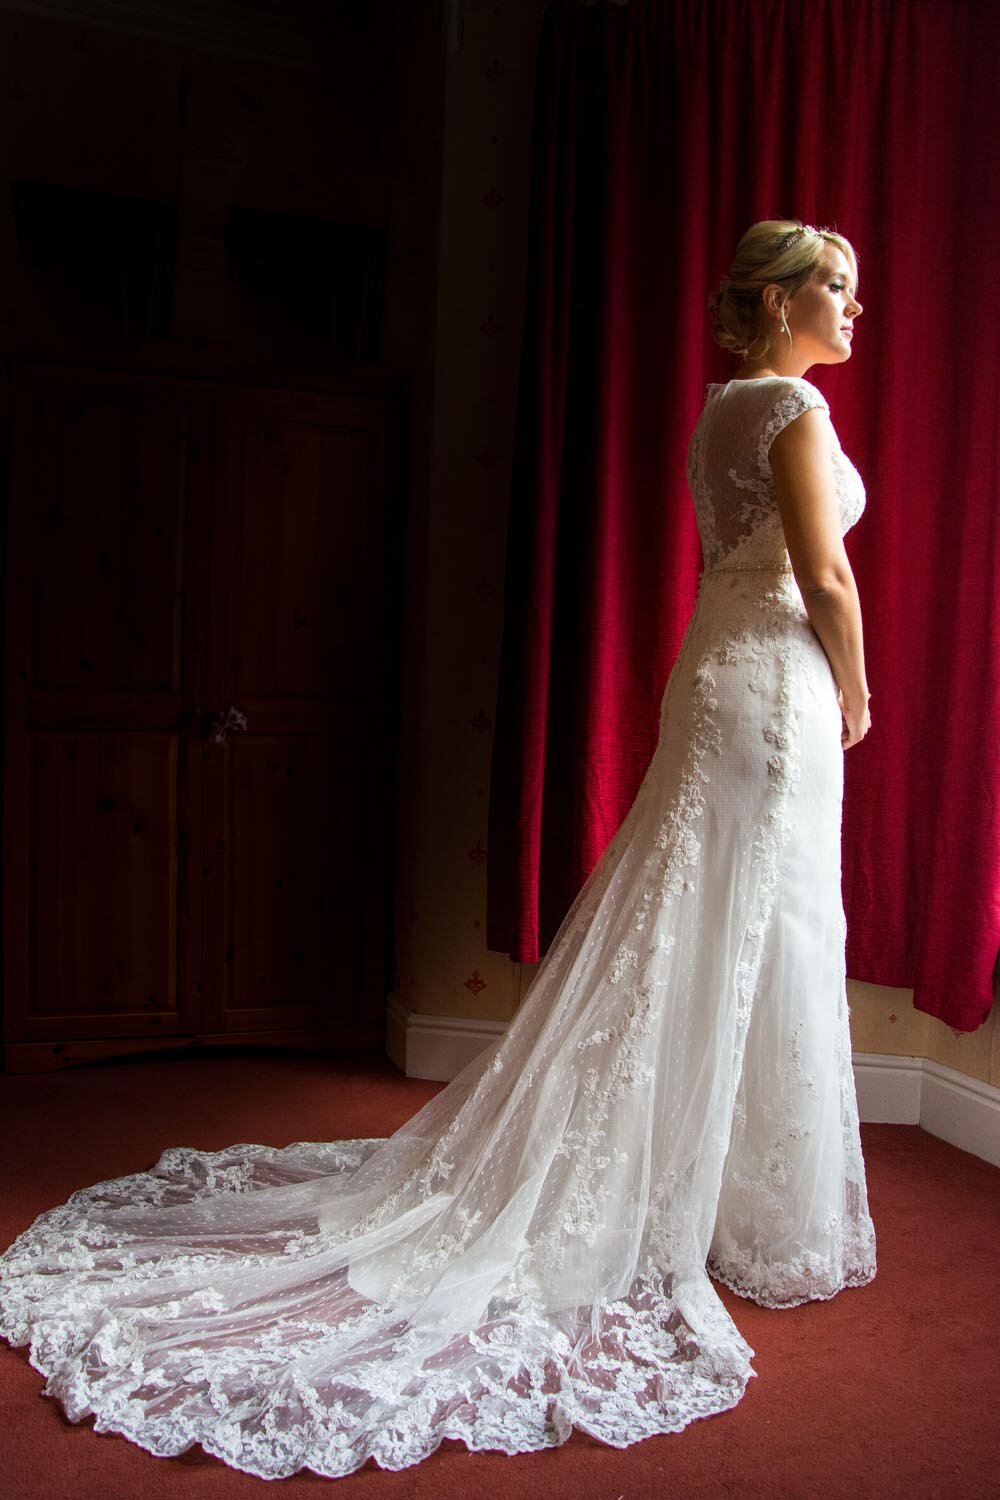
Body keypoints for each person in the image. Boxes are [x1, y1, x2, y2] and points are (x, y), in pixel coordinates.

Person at [0, 219, 876, 1480]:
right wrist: (856, 691)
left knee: (708, 927)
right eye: (832, 287)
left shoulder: (719, 410)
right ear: (776, 300)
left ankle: (711, 1193)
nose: (853, 308)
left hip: (720, 677)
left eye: (854, 288)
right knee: (756, 926)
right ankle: (729, 1209)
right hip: (776, 692)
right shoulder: (790, 414)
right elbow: (826, 578)